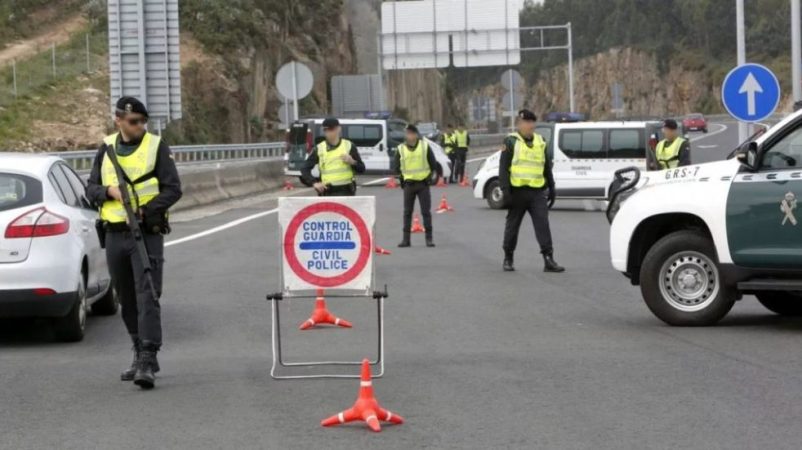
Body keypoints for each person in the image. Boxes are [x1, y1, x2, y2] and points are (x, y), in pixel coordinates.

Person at [86, 96, 182, 389]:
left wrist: (145, 211)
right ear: (119, 121)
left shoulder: (156, 146)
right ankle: (139, 349)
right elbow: (90, 188)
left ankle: (147, 357)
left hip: (146, 232)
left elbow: (173, 189)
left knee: (148, 294)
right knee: (126, 298)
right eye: (133, 121)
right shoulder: (106, 148)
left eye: (143, 121)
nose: (140, 126)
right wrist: (109, 192)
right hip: (114, 234)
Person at [499, 109, 564, 273]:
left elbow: (546, 167)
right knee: (512, 226)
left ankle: (548, 258)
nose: (530, 125)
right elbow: (503, 169)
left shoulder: (540, 141)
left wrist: (552, 187)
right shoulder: (510, 142)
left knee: (543, 225)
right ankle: (508, 257)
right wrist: (506, 191)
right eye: (526, 122)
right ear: (519, 125)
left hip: (537, 192)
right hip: (517, 192)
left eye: (532, 122)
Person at [394, 124, 442, 248]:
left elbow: (433, 164)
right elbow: (396, 168)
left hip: (423, 184)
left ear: (415, 134)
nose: (409, 136)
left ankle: (429, 239)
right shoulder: (400, 149)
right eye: (407, 133)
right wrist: (402, 180)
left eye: (411, 133)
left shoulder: (424, 146)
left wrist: (429, 178)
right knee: (407, 213)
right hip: (409, 185)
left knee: (426, 212)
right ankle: (406, 240)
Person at [301, 117, 366, 196]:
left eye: (331, 129)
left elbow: (362, 169)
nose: (329, 132)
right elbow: (304, 168)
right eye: (325, 130)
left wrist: (352, 162)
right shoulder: (320, 148)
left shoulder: (348, 146)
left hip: (347, 191)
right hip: (327, 191)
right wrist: (314, 183)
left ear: (339, 129)